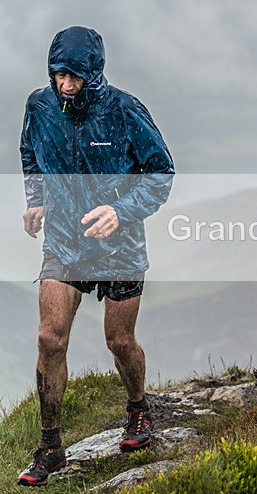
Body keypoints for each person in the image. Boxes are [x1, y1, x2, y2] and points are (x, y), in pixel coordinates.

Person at [17, 26, 174, 487]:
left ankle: (139, 411)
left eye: (76, 77)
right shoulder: (39, 106)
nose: (66, 86)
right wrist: (36, 199)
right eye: (59, 75)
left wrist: (121, 211)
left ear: (95, 74)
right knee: (50, 338)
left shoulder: (124, 109)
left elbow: (161, 172)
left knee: (119, 341)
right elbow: (30, 153)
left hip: (119, 244)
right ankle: (50, 446)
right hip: (64, 242)